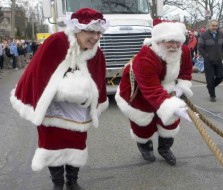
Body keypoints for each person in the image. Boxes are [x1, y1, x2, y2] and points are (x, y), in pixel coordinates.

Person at [9, 8, 109, 189]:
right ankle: (57, 183)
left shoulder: (96, 52)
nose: (95, 37)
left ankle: (72, 181)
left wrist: (91, 97)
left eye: (98, 32)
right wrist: (61, 91)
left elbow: (99, 77)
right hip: (53, 108)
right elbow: (37, 73)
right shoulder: (55, 42)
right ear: (77, 29)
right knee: (52, 145)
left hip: (78, 110)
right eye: (90, 31)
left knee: (77, 143)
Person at [115, 22, 193, 166]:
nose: (175, 46)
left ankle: (165, 148)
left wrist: (181, 87)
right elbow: (151, 89)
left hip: (166, 88)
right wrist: (172, 106)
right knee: (143, 123)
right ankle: (145, 146)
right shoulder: (145, 58)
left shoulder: (184, 51)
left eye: (178, 42)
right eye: (171, 41)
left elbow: (186, 71)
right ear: (159, 41)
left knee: (170, 121)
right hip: (140, 92)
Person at [198, 19, 223, 102]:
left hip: (218, 60)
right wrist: (207, 56)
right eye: (213, 25)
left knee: (220, 77)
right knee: (210, 79)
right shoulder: (204, 35)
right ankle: (212, 95)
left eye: (216, 26)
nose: (214, 27)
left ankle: (210, 86)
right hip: (208, 61)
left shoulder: (221, 35)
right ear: (209, 26)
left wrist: (222, 54)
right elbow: (199, 47)